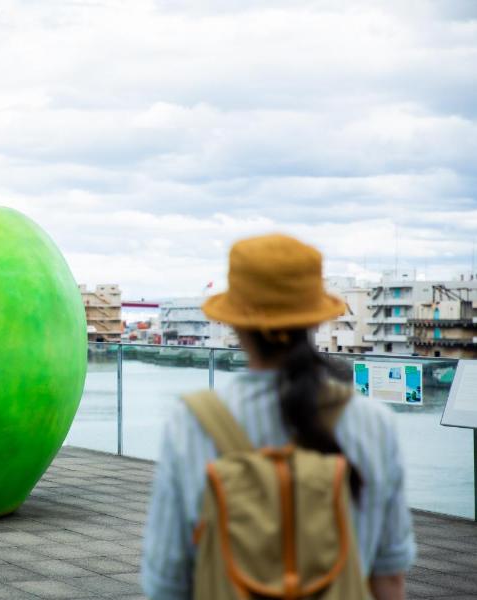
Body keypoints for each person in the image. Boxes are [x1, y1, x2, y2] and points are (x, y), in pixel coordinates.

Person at [141, 233, 415, 600]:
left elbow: (166, 581)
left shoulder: (191, 424)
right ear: (315, 320)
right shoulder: (374, 423)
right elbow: (389, 578)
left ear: (235, 324)